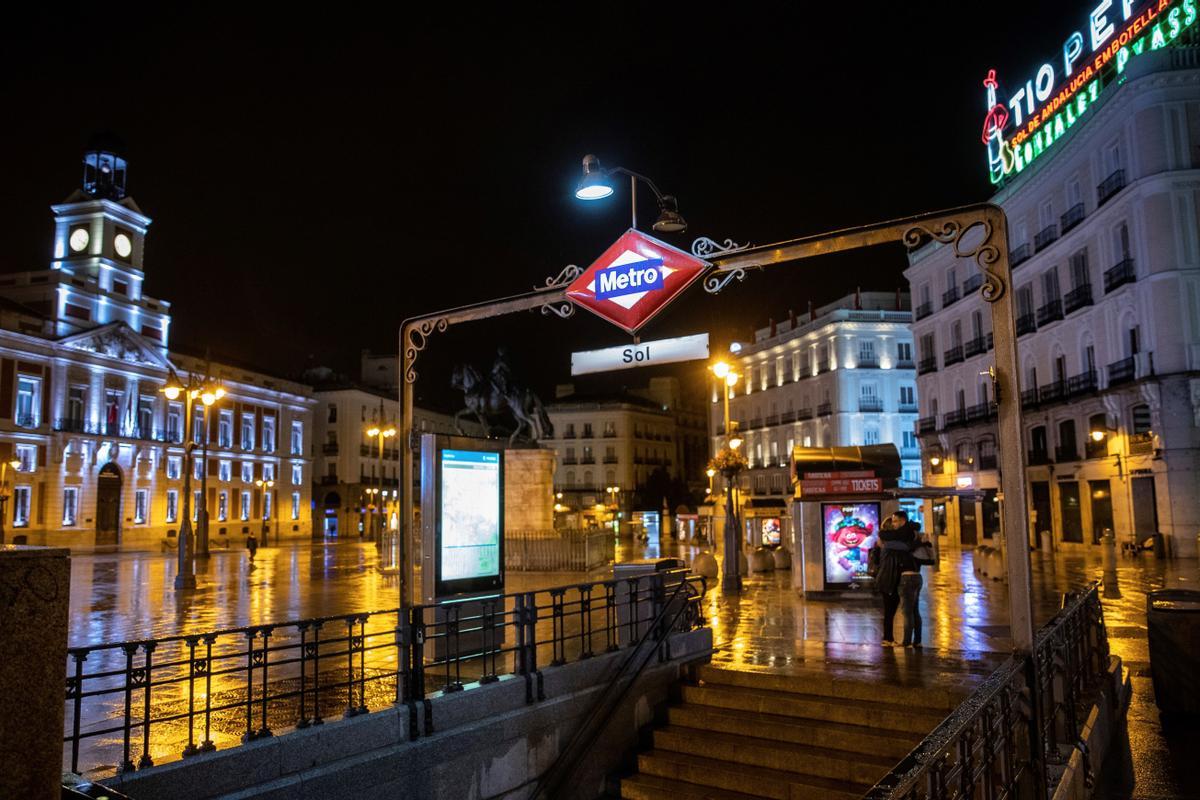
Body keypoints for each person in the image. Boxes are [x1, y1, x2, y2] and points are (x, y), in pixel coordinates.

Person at [875, 511, 917, 646]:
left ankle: (888, 638)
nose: (895, 525)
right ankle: (887, 639)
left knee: (890, 611)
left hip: (887, 580)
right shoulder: (890, 545)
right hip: (889, 581)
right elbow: (907, 546)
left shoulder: (887, 544)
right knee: (890, 611)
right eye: (893, 523)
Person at [896, 511, 935, 648]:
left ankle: (906, 641)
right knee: (915, 610)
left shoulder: (906, 543)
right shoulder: (918, 540)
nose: (895, 525)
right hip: (918, 576)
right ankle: (917, 640)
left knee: (907, 612)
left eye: (896, 521)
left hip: (906, 578)